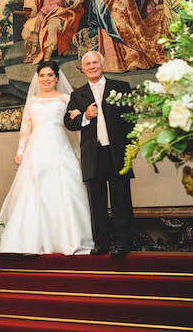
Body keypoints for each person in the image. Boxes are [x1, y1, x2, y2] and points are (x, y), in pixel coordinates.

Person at [0, 61, 94, 255]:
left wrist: (78, 117)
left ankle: (69, 239)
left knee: (64, 191)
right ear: (37, 78)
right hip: (36, 150)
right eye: (42, 75)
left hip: (60, 148)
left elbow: (74, 125)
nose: (46, 79)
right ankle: (29, 243)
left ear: (56, 78)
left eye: (50, 75)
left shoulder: (66, 99)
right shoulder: (32, 101)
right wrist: (20, 152)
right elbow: (26, 128)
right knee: (34, 193)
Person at [64, 51, 134, 258]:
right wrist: (85, 116)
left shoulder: (120, 87)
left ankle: (123, 243)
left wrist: (133, 146)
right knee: (97, 201)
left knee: (121, 198)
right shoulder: (78, 95)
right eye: (88, 64)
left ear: (102, 65)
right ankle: (101, 243)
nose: (92, 66)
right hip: (93, 154)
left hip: (118, 151)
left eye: (95, 62)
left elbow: (131, 118)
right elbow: (69, 122)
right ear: (83, 68)